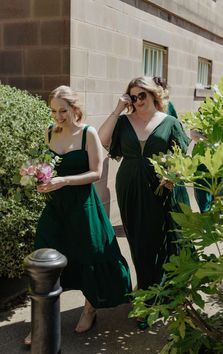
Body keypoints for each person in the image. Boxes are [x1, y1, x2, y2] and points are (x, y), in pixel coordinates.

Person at [24, 86, 132, 345]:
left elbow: (96, 172)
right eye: (53, 110)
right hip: (55, 206)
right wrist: (40, 178)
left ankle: (89, 307)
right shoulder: (49, 132)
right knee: (43, 255)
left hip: (82, 205)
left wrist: (64, 181)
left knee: (88, 254)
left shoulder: (88, 133)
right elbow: (47, 165)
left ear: (74, 108)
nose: (58, 116)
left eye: (63, 110)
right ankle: (40, 322)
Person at [98, 77, 190, 328]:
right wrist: (118, 109)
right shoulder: (124, 120)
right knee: (138, 242)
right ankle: (147, 292)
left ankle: (152, 299)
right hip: (129, 189)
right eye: (133, 96)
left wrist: (174, 176)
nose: (137, 101)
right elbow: (101, 141)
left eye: (142, 96)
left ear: (153, 96)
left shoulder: (169, 122)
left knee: (159, 241)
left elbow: (183, 157)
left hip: (160, 190)